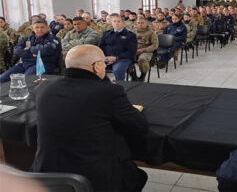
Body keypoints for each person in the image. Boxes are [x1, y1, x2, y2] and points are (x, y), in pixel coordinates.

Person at [31, 45, 149, 191]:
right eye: (104, 64)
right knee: (138, 176)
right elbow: (140, 126)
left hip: (47, 176)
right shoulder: (109, 92)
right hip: (94, 179)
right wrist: (104, 83)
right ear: (96, 67)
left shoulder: (43, 88)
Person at [100, 14, 137, 81]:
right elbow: (101, 47)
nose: (116, 23)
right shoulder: (106, 34)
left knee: (118, 70)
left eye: (119, 21)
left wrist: (116, 58)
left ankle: (120, 87)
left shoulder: (130, 35)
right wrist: (104, 57)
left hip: (122, 59)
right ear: (111, 23)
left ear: (123, 23)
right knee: (93, 68)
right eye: (114, 21)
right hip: (106, 58)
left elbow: (131, 52)